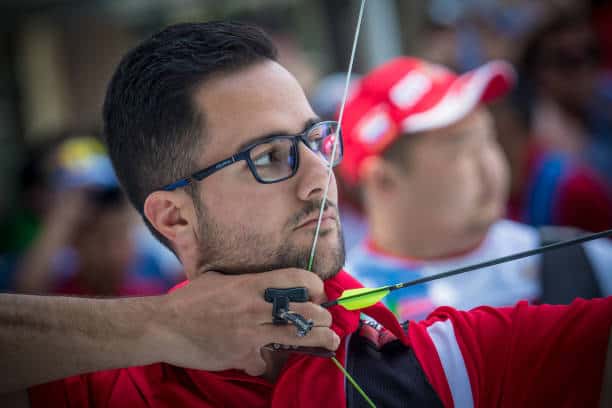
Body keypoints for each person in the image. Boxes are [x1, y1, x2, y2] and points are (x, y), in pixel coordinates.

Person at [0, 21, 610, 407]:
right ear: (174, 218)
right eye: (270, 156)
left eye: (317, 140)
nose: (322, 177)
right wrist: (163, 329)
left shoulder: (446, 361)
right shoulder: (105, 386)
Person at [340, 56, 612, 322]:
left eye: (488, 137)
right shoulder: (345, 313)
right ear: (382, 180)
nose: (488, 162)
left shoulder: (580, 261)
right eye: (459, 148)